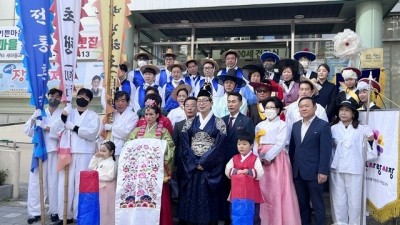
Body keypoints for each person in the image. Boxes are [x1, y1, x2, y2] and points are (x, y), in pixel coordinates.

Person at [179, 83, 227, 225]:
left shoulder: (219, 123)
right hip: (193, 168)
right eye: (199, 101)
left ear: (211, 103)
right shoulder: (189, 123)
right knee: (191, 200)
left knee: (208, 201)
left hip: (209, 168)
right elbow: (185, 145)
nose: (201, 104)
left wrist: (204, 162)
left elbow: (219, 147)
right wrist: (195, 162)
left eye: (205, 101)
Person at [123, 99, 175, 225]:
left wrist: (158, 150)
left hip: (156, 171)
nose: (149, 117)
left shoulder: (163, 132)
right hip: (140, 172)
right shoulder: (137, 131)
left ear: (157, 115)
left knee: (159, 198)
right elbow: (128, 147)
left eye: (152, 114)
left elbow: (170, 148)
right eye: (146, 114)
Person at [55, 88, 100, 224]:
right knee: (65, 184)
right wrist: (63, 116)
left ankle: (78, 214)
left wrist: (74, 127)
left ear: (90, 101)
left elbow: (92, 133)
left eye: (86, 97)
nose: (82, 98)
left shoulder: (93, 115)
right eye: (80, 95)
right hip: (68, 152)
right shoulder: (69, 112)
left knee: (81, 185)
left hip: (85, 152)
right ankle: (64, 215)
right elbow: (57, 129)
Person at [254, 96, 301, 225]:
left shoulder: (283, 125)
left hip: (277, 160)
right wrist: (257, 158)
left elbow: (281, 143)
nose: (269, 110)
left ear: (278, 110)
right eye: (267, 107)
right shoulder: (259, 125)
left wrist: (268, 156)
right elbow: (255, 143)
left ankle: (279, 220)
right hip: (261, 162)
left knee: (277, 190)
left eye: (272, 108)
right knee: (263, 191)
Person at [330, 98, 377, 225]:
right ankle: (340, 223)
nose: (343, 113)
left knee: (355, 201)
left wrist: (371, 140)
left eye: (347, 110)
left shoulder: (362, 128)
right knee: (338, 201)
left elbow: (371, 152)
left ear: (353, 113)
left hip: (355, 169)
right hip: (337, 169)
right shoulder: (333, 128)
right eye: (341, 110)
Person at [289, 97, 332, 225]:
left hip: (314, 173)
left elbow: (326, 150)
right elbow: (293, 149)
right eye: (301, 106)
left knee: (318, 205)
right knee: (302, 205)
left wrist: (323, 171)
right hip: (298, 172)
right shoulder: (296, 126)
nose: (304, 108)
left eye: (307, 106)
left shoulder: (323, 125)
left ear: (315, 108)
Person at [24, 88, 64, 224]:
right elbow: (28, 131)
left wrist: (47, 127)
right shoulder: (40, 112)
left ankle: (54, 211)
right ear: (48, 96)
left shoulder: (62, 114)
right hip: (39, 152)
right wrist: (34, 119)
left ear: (60, 99)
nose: (54, 98)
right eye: (52, 95)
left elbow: (63, 132)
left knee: (54, 182)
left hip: (54, 152)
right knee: (36, 182)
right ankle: (35, 212)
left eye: (58, 96)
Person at [220, 92, 255, 223]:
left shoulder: (246, 121)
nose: (231, 104)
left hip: (239, 165)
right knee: (224, 192)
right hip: (223, 163)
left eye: (234, 101)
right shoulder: (222, 120)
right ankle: (224, 218)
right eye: (229, 101)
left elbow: (250, 143)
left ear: (240, 104)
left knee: (237, 194)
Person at [225, 132, 264, 225]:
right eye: (239, 144)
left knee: (253, 217)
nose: (241, 146)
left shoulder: (255, 158)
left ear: (251, 146)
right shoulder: (234, 158)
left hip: (252, 193)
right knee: (235, 215)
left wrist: (248, 172)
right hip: (236, 194)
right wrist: (236, 171)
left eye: (244, 144)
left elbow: (260, 173)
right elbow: (227, 170)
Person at [171, 97, 198, 214]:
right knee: (182, 191)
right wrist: (174, 165)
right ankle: (183, 216)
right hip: (182, 164)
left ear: (197, 108)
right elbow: (174, 145)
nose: (190, 108)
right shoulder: (178, 125)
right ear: (184, 108)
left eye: (193, 106)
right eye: (187, 106)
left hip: (197, 165)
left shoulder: (202, 124)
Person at [285, 78, 328, 144]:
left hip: (314, 144)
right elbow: (288, 127)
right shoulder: (291, 108)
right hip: (295, 142)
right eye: (301, 89)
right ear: (298, 91)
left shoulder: (319, 108)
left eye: (307, 89)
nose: (304, 92)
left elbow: (324, 129)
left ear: (312, 91)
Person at [102, 91, 138, 163]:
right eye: (117, 101)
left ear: (127, 103)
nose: (120, 103)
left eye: (123, 101)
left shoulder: (133, 116)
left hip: (125, 150)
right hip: (109, 150)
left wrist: (112, 128)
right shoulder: (111, 114)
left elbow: (126, 133)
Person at [88, 140, 117, 225]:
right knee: (100, 207)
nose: (101, 153)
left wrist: (96, 176)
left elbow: (110, 176)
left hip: (107, 189)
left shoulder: (112, 163)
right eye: (101, 150)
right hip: (100, 188)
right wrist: (95, 157)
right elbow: (91, 167)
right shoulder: (100, 160)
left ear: (111, 152)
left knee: (106, 208)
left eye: (104, 151)